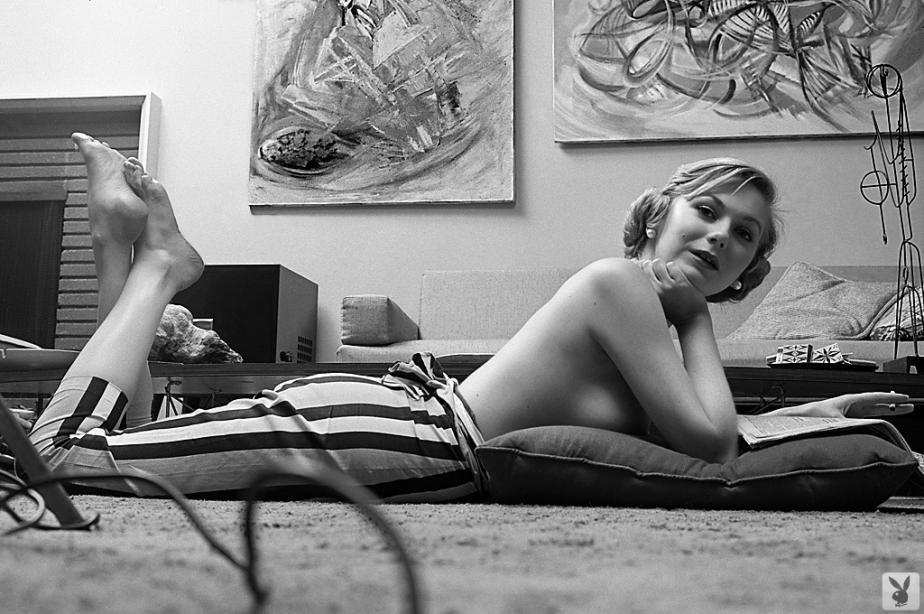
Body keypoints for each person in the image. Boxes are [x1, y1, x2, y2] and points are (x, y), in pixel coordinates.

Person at [26, 133, 913, 502]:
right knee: (61, 459)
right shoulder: (622, 287)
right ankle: (160, 269)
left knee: (120, 450)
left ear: (752, 268)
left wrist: (811, 414)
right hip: (398, 436)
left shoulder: (655, 325)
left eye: (744, 235)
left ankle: (118, 248)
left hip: (399, 426)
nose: (721, 236)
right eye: (708, 212)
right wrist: (699, 320)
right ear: (659, 215)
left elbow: (713, 431)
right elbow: (709, 443)